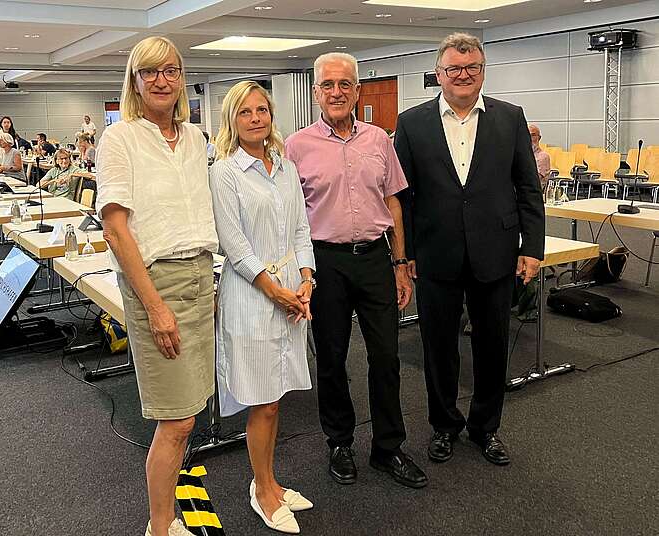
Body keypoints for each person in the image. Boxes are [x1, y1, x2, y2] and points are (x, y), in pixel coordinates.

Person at [394, 33, 545, 467]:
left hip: (496, 251)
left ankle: (485, 427)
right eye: (454, 69)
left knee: (493, 346)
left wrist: (531, 247)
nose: (463, 75)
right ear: (439, 75)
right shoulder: (412, 122)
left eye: (472, 68)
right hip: (435, 253)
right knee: (438, 348)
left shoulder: (510, 118)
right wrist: (404, 255)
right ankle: (444, 426)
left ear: (482, 71)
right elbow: (402, 196)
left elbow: (527, 189)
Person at [285, 52, 427, 489]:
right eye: (327, 85)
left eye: (344, 84)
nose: (336, 92)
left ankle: (387, 447)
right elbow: (289, 216)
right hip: (324, 262)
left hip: (375, 260)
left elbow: (394, 203)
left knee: (386, 357)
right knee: (331, 358)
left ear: (357, 90)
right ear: (316, 93)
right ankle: (339, 442)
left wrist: (401, 264)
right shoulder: (297, 146)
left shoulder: (379, 140)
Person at [96, 36, 219, 536]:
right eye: (150, 73)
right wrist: (155, 308)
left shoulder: (195, 138)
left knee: (191, 411)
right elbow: (115, 227)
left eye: (170, 70)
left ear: (181, 77)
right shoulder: (120, 138)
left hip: (199, 276)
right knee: (176, 421)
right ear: (135, 81)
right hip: (157, 284)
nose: (162, 80)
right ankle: (160, 528)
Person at [210, 81, 315, 534]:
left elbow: (301, 231)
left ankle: (269, 480)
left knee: (279, 394)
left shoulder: (286, 168)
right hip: (253, 295)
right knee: (263, 401)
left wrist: (307, 279)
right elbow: (234, 245)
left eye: (262, 110)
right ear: (232, 121)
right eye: (245, 112)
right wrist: (274, 289)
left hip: (292, 290)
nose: (256, 118)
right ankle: (262, 488)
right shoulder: (225, 171)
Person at [528, 124, 552, 188]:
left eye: (533, 135)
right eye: (527, 135)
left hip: (534, 191)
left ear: (539, 138)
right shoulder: (524, 156)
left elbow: (533, 179)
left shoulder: (543, 156)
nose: (529, 138)